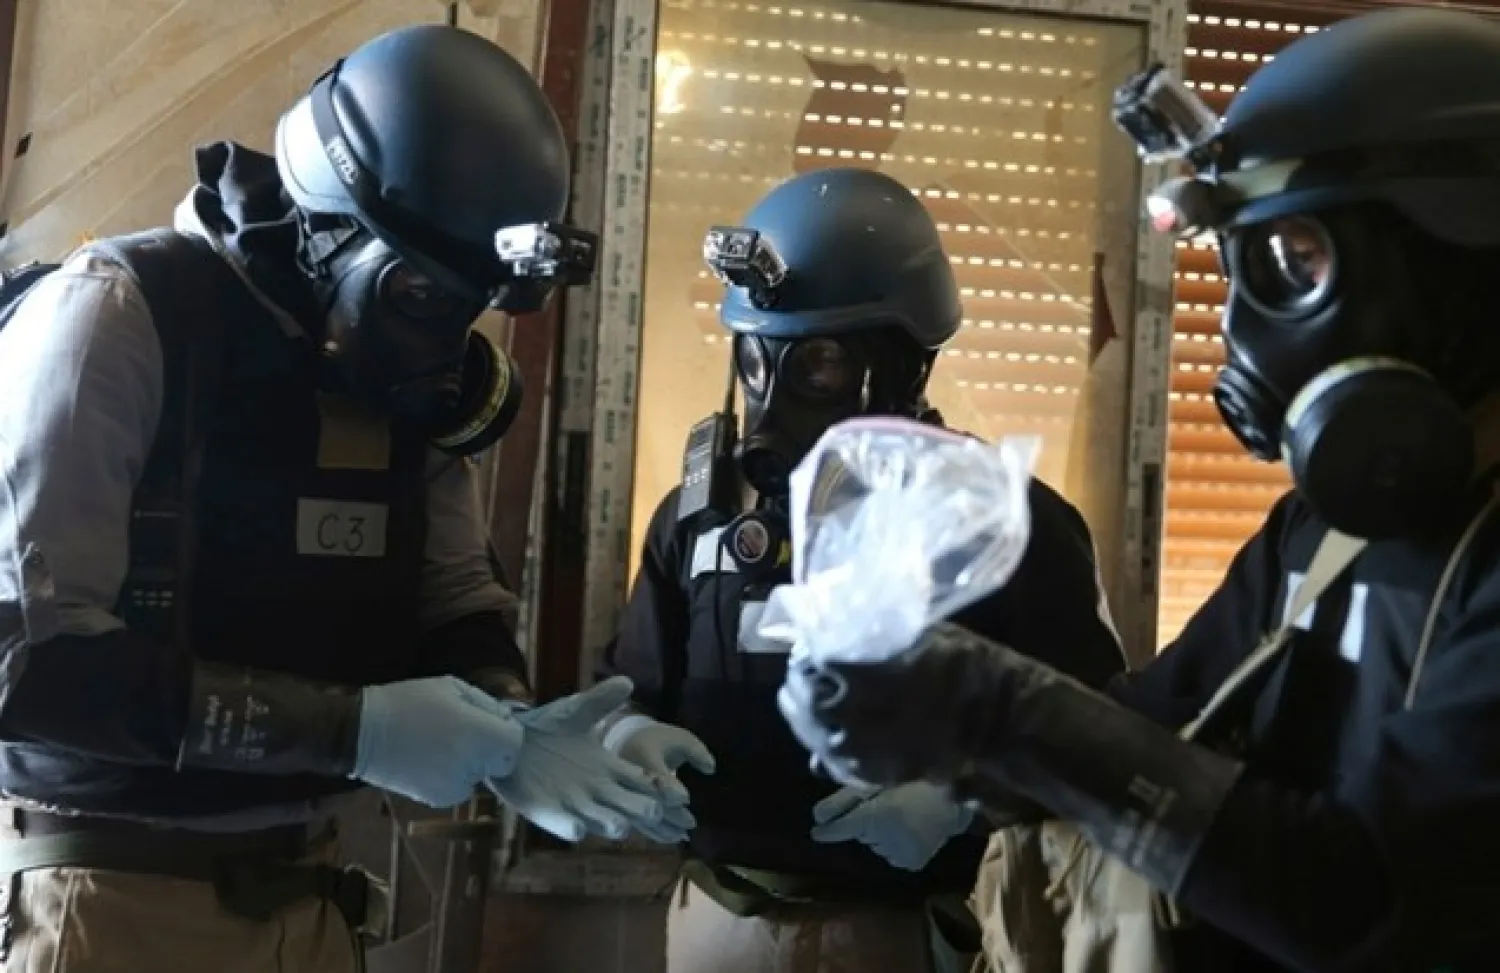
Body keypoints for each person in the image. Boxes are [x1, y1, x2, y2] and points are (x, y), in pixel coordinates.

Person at [779, 8, 1500, 973]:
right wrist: (941, 723)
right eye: (1236, 268)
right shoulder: (1321, 531)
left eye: (1296, 264)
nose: (1244, 338)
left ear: (1463, 261)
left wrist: (1006, 714)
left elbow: (1375, 907)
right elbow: (1152, 725)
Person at [0, 25, 679, 973]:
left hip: (313, 897)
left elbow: (454, 602)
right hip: (117, 897)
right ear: (328, 228)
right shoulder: (118, 317)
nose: (443, 348)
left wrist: (515, 726)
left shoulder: (394, 376)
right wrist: (353, 730)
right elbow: (27, 666)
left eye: (468, 307)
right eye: (418, 298)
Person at [596, 166, 1127, 973]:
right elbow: (630, 686)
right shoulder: (699, 520)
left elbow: (1099, 746)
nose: (772, 404)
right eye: (755, 363)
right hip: (723, 919)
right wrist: (626, 733)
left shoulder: (1008, 529)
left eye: (818, 366)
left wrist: (959, 802)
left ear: (905, 364)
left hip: (911, 932)